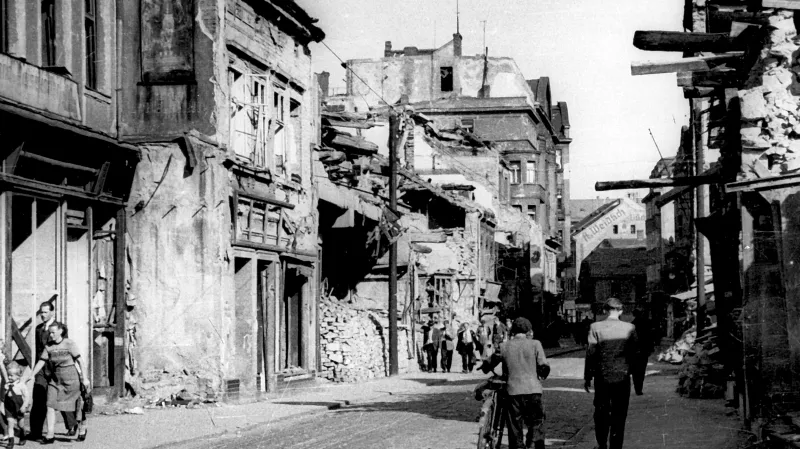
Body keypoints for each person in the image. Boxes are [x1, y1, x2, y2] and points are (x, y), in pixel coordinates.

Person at [482, 318, 550, 449]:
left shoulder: (504, 346)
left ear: (513, 331)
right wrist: (541, 375)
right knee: (536, 423)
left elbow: (490, 362)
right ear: (528, 330)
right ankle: (534, 445)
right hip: (533, 391)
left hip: (513, 391)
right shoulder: (535, 344)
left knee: (514, 425)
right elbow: (543, 367)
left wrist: (485, 366)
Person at [584, 298, 638, 449]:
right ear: (621, 311)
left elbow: (591, 354)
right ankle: (616, 446)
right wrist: (631, 371)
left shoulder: (595, 327)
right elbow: (634, 353)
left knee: (601, 412)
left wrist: (588, 376)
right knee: (619, 414)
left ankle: (601, 444)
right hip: (622, 376)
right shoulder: (630, 328)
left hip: (603, 377)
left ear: (604, 310)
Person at [29, 322, 90, 444]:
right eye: (49, 332)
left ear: (60, 331)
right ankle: (50, 435)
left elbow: (80, 362)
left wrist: (85, 378)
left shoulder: (69, 343)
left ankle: (83, 427)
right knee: (50, 404)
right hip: (56, 380)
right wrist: (31, 375)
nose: (51, 335)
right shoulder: (49, 346)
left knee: (75, 407)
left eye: (53, 332)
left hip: (71, 379)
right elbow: (41, 361)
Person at [29, 300, 56, 441]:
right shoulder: (39, 328)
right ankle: (36, 432)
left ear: (52, 312)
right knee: (38, 396)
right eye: (41, 312)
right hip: (40, 367)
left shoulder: (60, 327)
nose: (43, 315)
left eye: (45, 312)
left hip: (54, 367)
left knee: (59, 398)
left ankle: (73, 425)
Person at [4, 362, 29, 447]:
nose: (9, 377)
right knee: (10, 423)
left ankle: (22, 435)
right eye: (8, 375)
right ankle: (11, 442)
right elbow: (6, 397)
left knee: (20, 424)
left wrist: (24, 406)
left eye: (11, 375)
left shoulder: (21, 385)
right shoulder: (6, 385)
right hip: (9, 407)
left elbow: (27, 397)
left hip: (19, 407)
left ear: (18, 376)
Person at [631, 308, 654, 396]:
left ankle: (637, 388)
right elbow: (650, 337)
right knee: (642, 370)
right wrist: (650, 349)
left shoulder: (632, 325)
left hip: (634, 351)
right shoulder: (647, 323)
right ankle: (639, 389)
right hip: (644, 350)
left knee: (635, 370)